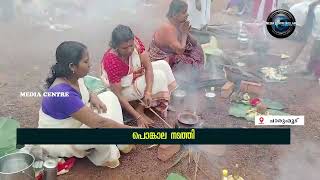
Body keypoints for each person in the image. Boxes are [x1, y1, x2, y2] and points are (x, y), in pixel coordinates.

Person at [38, 41, 134, 168]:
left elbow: (84, 88)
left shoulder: (72, 76)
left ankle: (120, 141)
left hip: (76, 124)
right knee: (100, 129)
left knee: (109, 96)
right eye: (86, 61)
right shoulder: (62, 93)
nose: (90, 64)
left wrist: (92, 95)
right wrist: (127, 129)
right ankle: (104, 158)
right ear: (72, 66)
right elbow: (97, 123)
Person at [101, 25, 177, 128]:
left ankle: (143, 105)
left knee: (163, 65)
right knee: (159, 77)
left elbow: (148, 67)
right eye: (124, 48)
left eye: (131, 46)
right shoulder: (112, 60)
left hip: (132, 76)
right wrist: (138, 117)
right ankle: (138, 110)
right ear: (115, 46)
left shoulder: (135, 42)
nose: (129, 50)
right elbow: (118, 95)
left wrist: (148, 92)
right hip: (120, 90)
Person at [149, 0, 205, 73]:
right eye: (184, 12)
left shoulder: (178, 24)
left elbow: (194, 43)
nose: (187, 14)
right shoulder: (168, 28)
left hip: (174, 54)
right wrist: (184, 33)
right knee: (181, 60)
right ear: (175, 15)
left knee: (195, 50)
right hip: (162, 61)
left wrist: (186, 32)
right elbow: (180, 50)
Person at [290, 0, 320, 80]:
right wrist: (291, 59)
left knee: (318, 51)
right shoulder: (303, 9)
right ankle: (309, 69)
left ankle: (317, 74)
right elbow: (303, 38)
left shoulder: (317, 12)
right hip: (317, 30)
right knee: (315, 50)